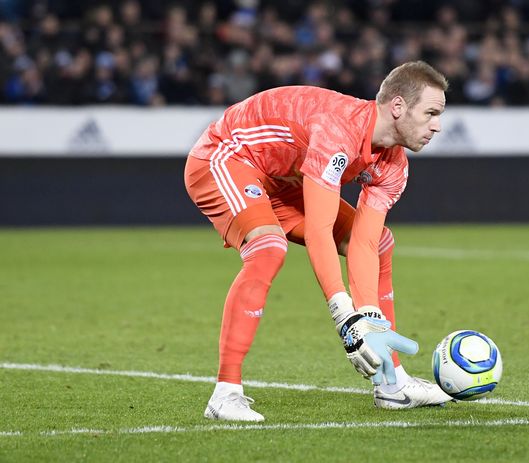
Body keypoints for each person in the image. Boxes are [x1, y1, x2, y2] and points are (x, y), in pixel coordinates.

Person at [184, 60, 451, 422]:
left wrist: (368, 318)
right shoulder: (338, 129)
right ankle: (225, 393)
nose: (437, 125)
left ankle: (391, 384)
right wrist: (345, 316)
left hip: (284, 179)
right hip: (227, 155)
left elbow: (365, 243)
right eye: (431, 113)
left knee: (383, 243)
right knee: (268, 247)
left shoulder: (394, 166)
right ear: (398, 107)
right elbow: (319, 231)